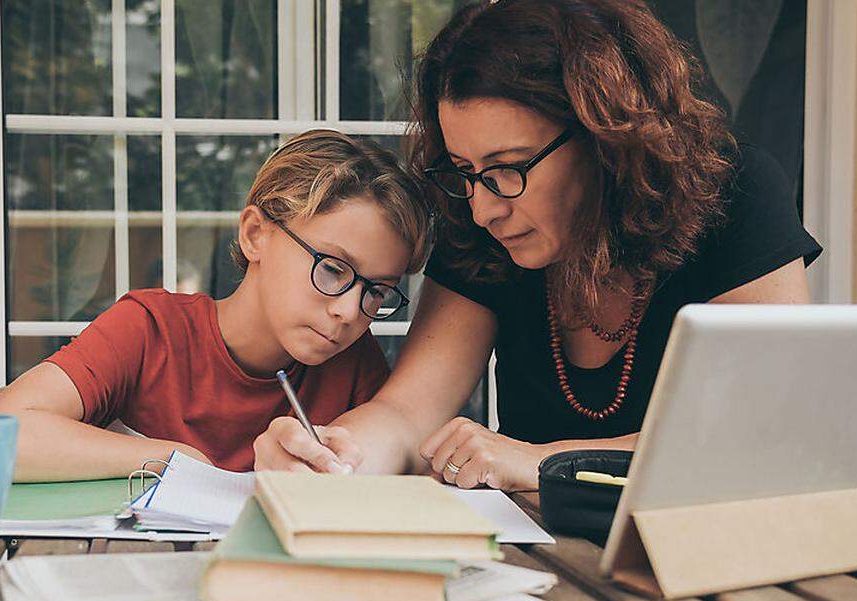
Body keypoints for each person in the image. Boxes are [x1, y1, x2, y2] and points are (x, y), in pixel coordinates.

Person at [252, 0, 821, 490]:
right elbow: (405, 413)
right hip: (547, 566)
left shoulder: (735, 195)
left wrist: (541, 460)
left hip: (714, 559)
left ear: (605, 136)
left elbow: (758, 434)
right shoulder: (483, 224)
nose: (483, 206)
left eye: (506, 168)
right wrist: (333, 455)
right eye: (465, 171)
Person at [0, 130, 431, 481]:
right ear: (256, 234)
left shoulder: (354, 363)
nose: (350, 312)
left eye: (376, 291)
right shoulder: (149, 330)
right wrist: (171, 456)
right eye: (333, 269)